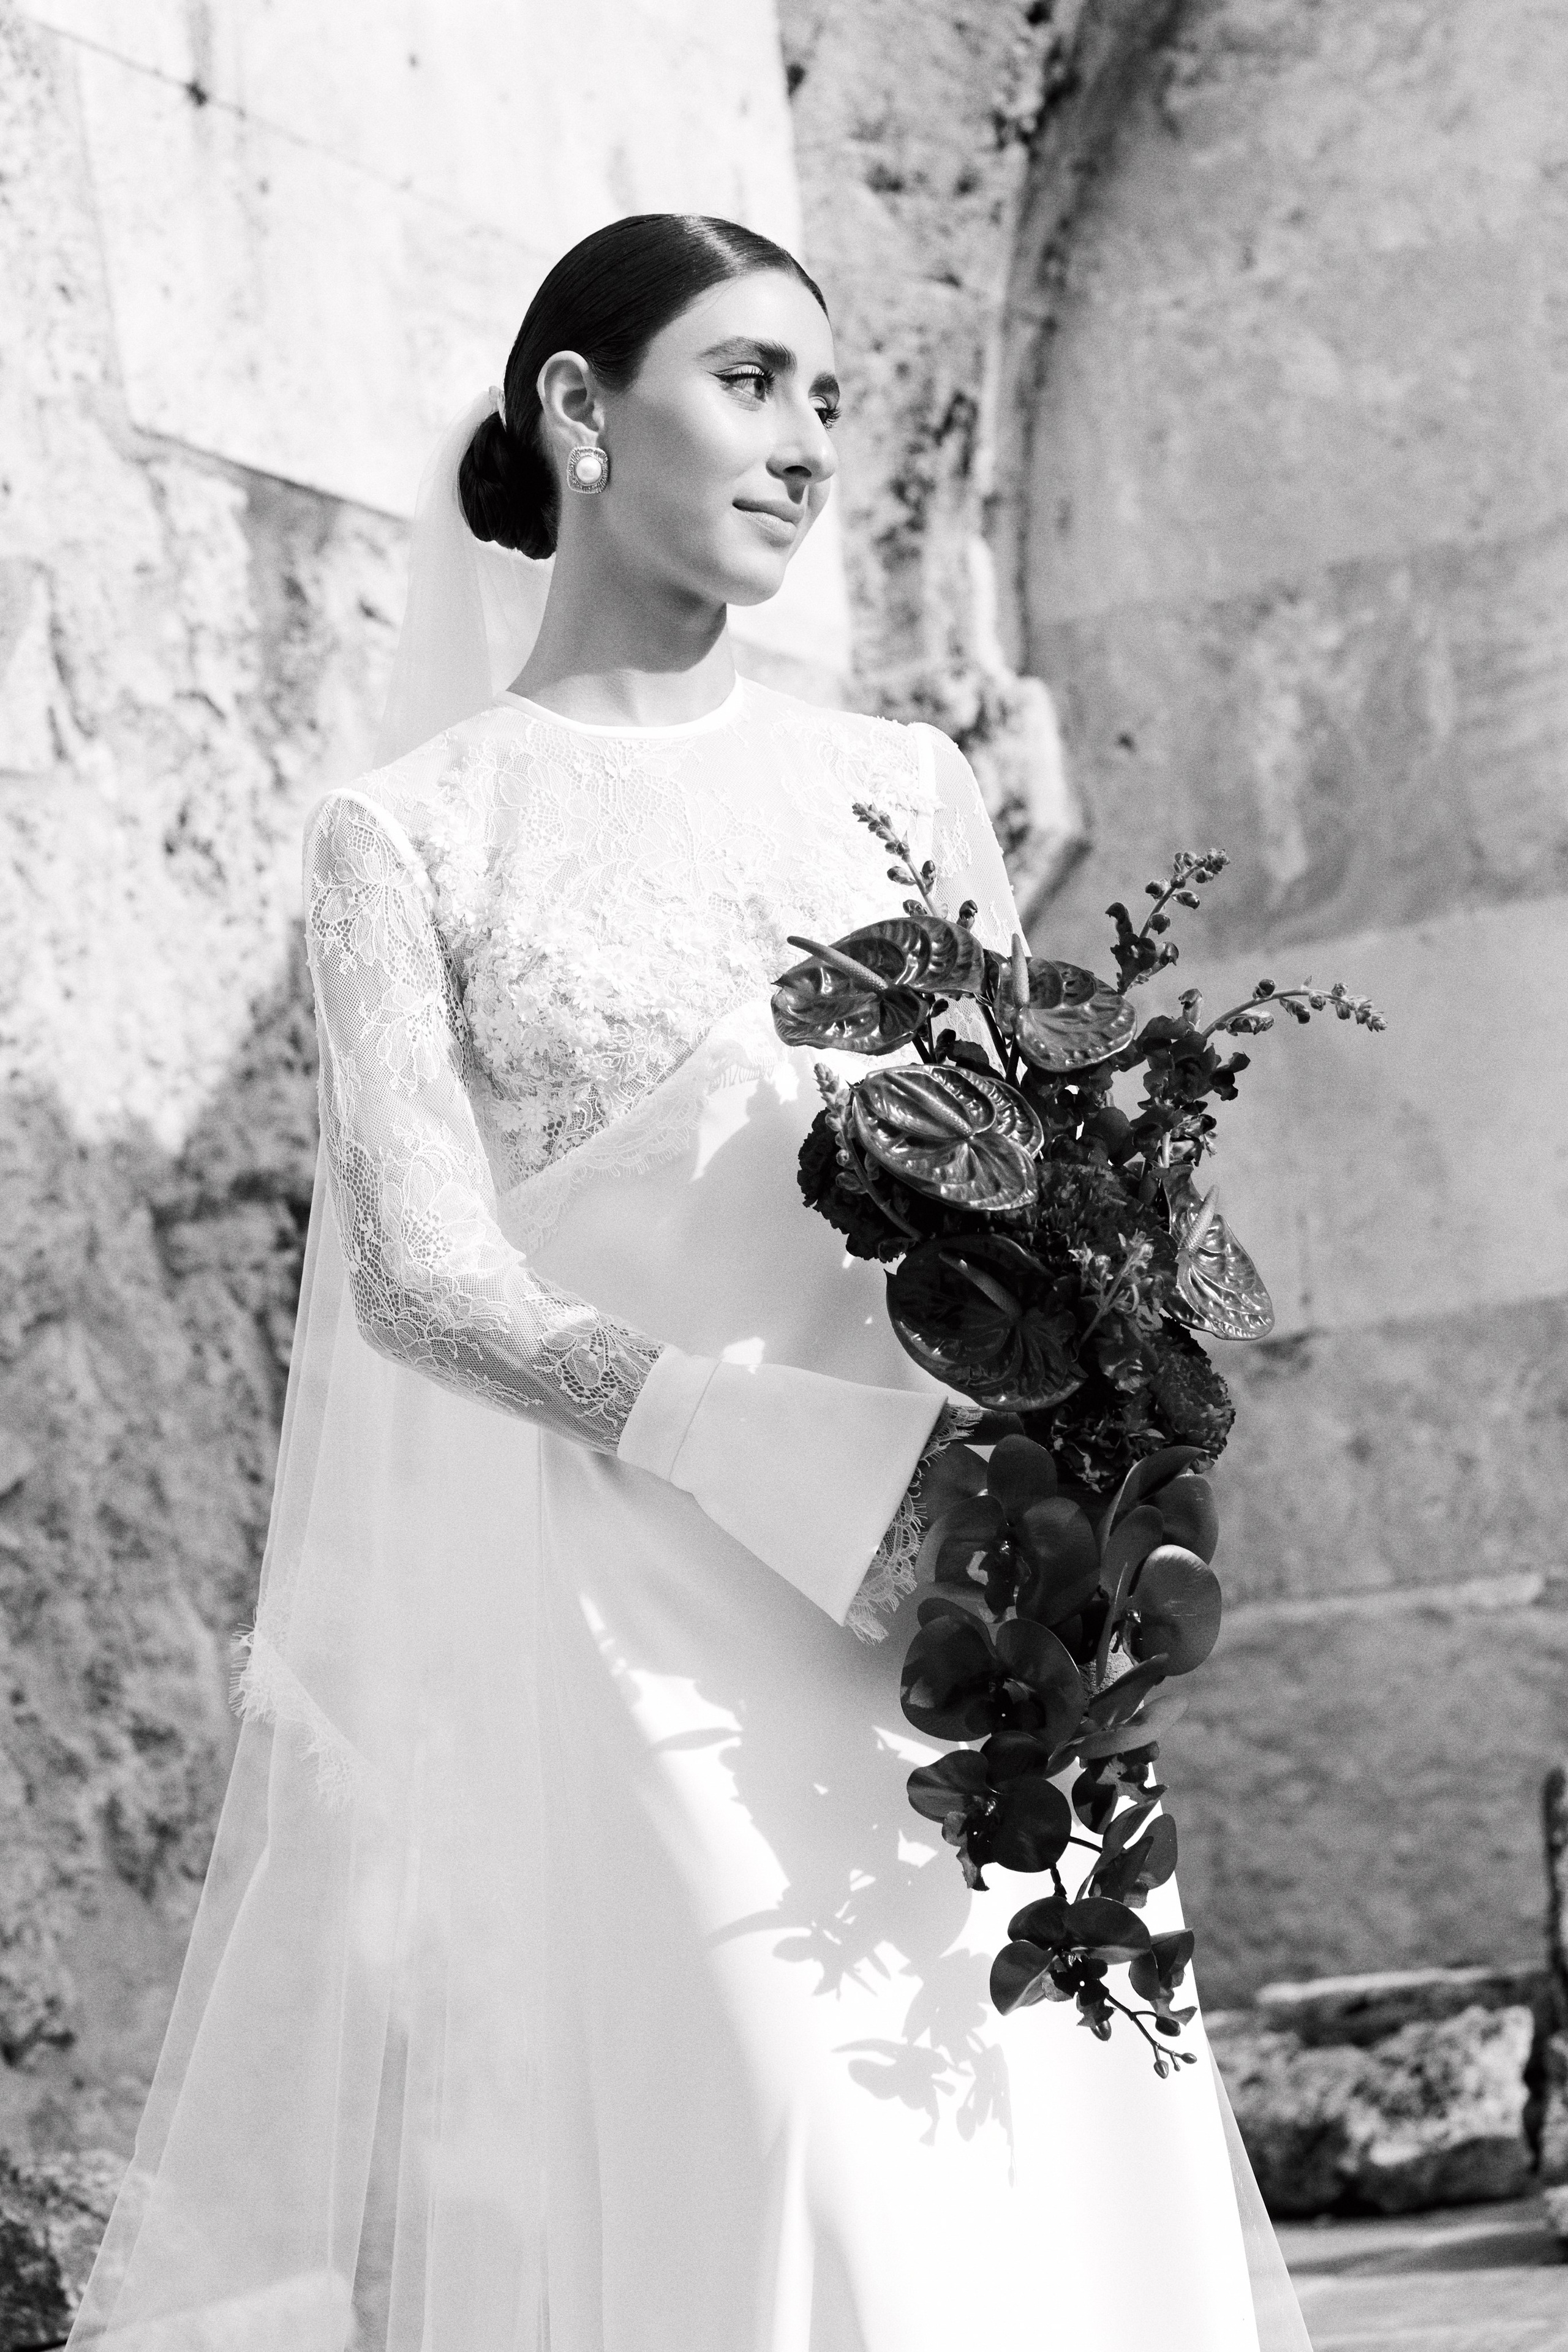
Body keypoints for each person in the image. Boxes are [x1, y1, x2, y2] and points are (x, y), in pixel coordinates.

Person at [69, 214, 1312, 2352]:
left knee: (1049, 2166)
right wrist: (745, 1441)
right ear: (578, 410)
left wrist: (1110, 1458)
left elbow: (1061, 1189)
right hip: (652, 1621)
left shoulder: (902, 787)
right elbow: (425, 1284)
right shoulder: (414, 835)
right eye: (750, 382)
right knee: (801, 2171)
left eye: (828, 399)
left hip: (969, 1608)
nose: (809, 444)